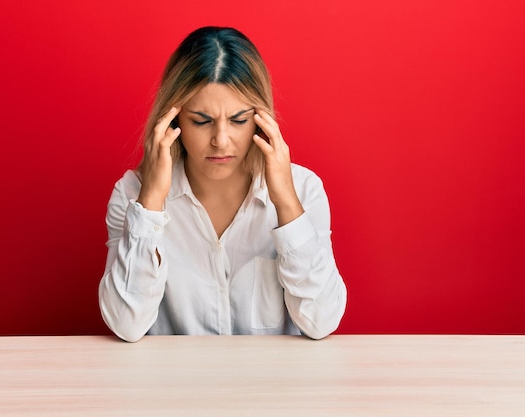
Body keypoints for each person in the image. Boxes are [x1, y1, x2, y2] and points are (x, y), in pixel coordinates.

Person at [99, 26, 346, 342]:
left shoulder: (305, 189)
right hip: (172, 387)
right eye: (201, 121)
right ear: (173, 120)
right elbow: (125, 323)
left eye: (238, 120)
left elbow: (322, 321)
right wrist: (150, 205)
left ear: (260, 118)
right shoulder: (133, 194)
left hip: (273, 388)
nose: (220, 140)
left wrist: (286, 203)